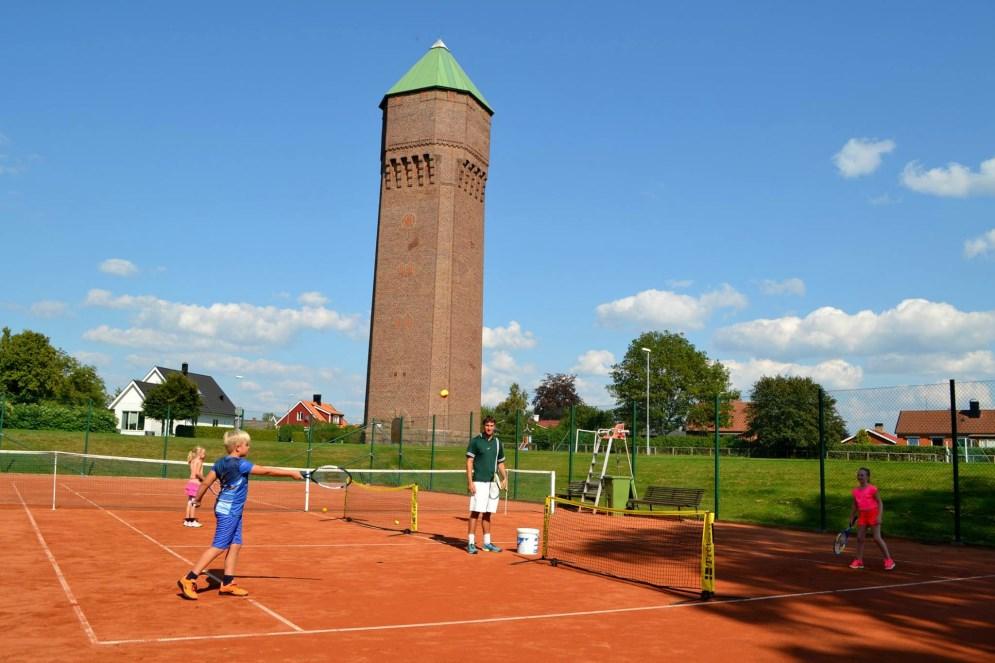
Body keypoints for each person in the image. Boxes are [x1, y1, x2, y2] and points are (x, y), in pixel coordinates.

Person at [176, 430, 303, 600]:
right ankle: (189, 578)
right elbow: (265, 471)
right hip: (228, 511)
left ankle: (228, 583)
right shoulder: (240, 464)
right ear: (237, 447)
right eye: (247, 445)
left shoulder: (220, 462)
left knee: (235, 544)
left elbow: (207, 481)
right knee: (220, 546)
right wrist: (291, 473)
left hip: (230, 509)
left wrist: (197, 499)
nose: (248, 447)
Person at [465, 416, 507, 555]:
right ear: (484, 426)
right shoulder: (476, 441)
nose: (489, 428)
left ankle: (487, 543)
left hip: (492, 484)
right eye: (487, 425)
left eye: (491, 425)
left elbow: (500, 463)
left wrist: (505, 478)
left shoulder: (498, 442)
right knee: (475, 512)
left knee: (488, 513)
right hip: (478, 482)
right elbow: (469, 461)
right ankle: (471, 543)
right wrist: (470, 482)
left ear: (494, 427)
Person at [849, 467, 895, 571]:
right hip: (862, 516)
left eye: (862, 475)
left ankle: (889, 560)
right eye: (859, 475)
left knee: (876, 538)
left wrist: (879, 516)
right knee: (860, 538)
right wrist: (852, 516)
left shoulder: (872, 489)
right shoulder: (855, 491)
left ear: (867, 477)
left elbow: (880, 502)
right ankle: (859, 561)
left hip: (873, 514)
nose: (860, 477)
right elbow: (855, 505)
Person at [183, 446, 207, 528]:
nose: (205, 455)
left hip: (190, 482)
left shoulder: (192, 461)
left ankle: (187, 520)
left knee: (190, 502)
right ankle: (192, 520)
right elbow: (197, 473)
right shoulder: (199, 461)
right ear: (199, 454)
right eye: (204, 453)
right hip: (196, 483)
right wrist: (205, 479)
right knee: (194, 502)